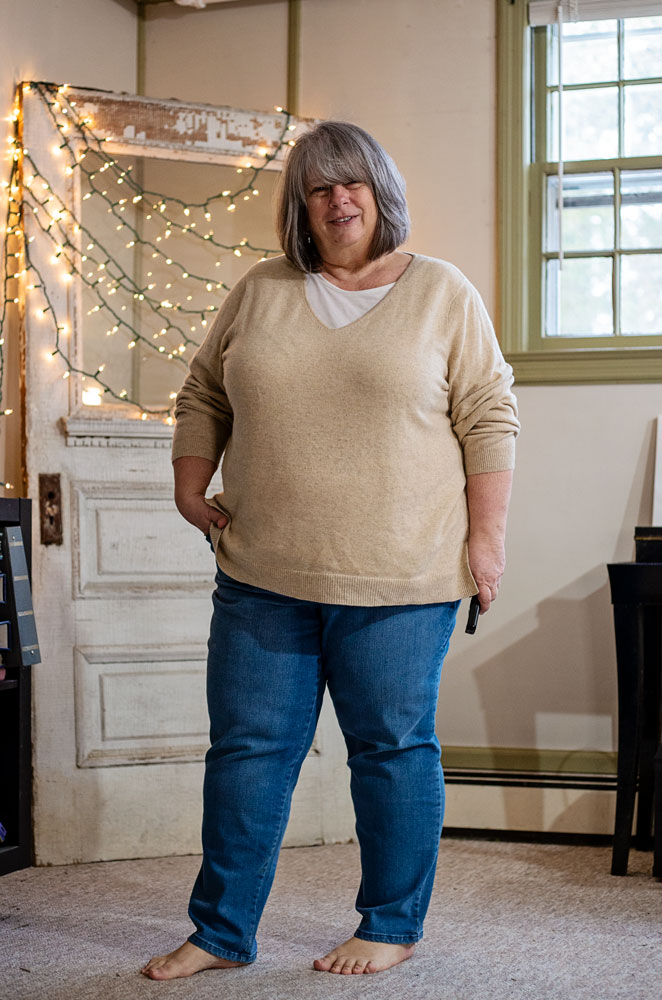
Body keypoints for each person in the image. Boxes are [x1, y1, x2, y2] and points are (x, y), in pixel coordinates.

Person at [141, 120, 519, 981]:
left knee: (390, 750)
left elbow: (489, 417)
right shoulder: (261, 288)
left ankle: (391, 922)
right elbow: (203, 390)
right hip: (262, 572)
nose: (338, 198)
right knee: (245, 754)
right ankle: (221, 931)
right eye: (318, 186)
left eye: (353, 182)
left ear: (382, 194)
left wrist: (487, 545)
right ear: (300, 207)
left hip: (402, 575)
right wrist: (189, 486)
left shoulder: (443, 293)